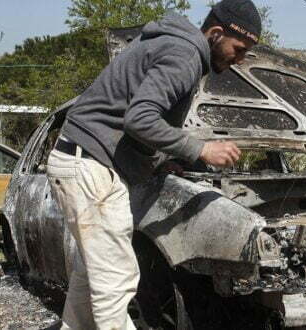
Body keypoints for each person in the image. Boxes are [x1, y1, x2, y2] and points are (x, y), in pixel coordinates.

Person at [45, 1, 261, 328]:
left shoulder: (173, 45)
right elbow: (140, 119)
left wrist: (160, 161)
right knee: (117, 279)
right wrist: (200, 150)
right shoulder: (186, 55)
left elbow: (131, 118)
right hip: (91, 167)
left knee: (92, 278)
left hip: (83, 161)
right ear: (216, 33)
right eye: (238, 48)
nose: (239, 60)